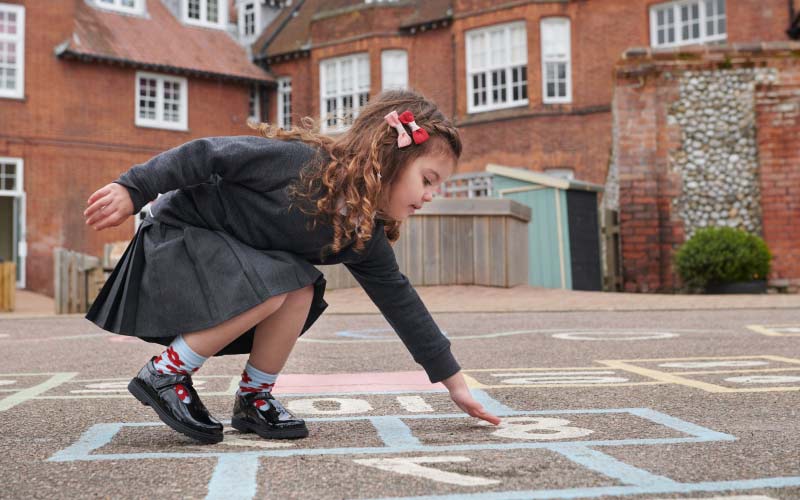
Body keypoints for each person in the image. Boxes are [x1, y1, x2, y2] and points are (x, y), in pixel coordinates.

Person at [83, 89, 501, 445]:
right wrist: (132, 188)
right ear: (389, 158)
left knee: (299, 286)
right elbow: (205, 153)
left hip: (225, 264)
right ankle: (165, 374)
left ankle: (254, 399)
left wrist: (455, 383)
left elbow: (400, 300)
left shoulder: (360, 232)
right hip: (175, 239)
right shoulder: (301, 163)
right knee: (279, 282)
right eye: (428, 180)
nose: (431, 195)